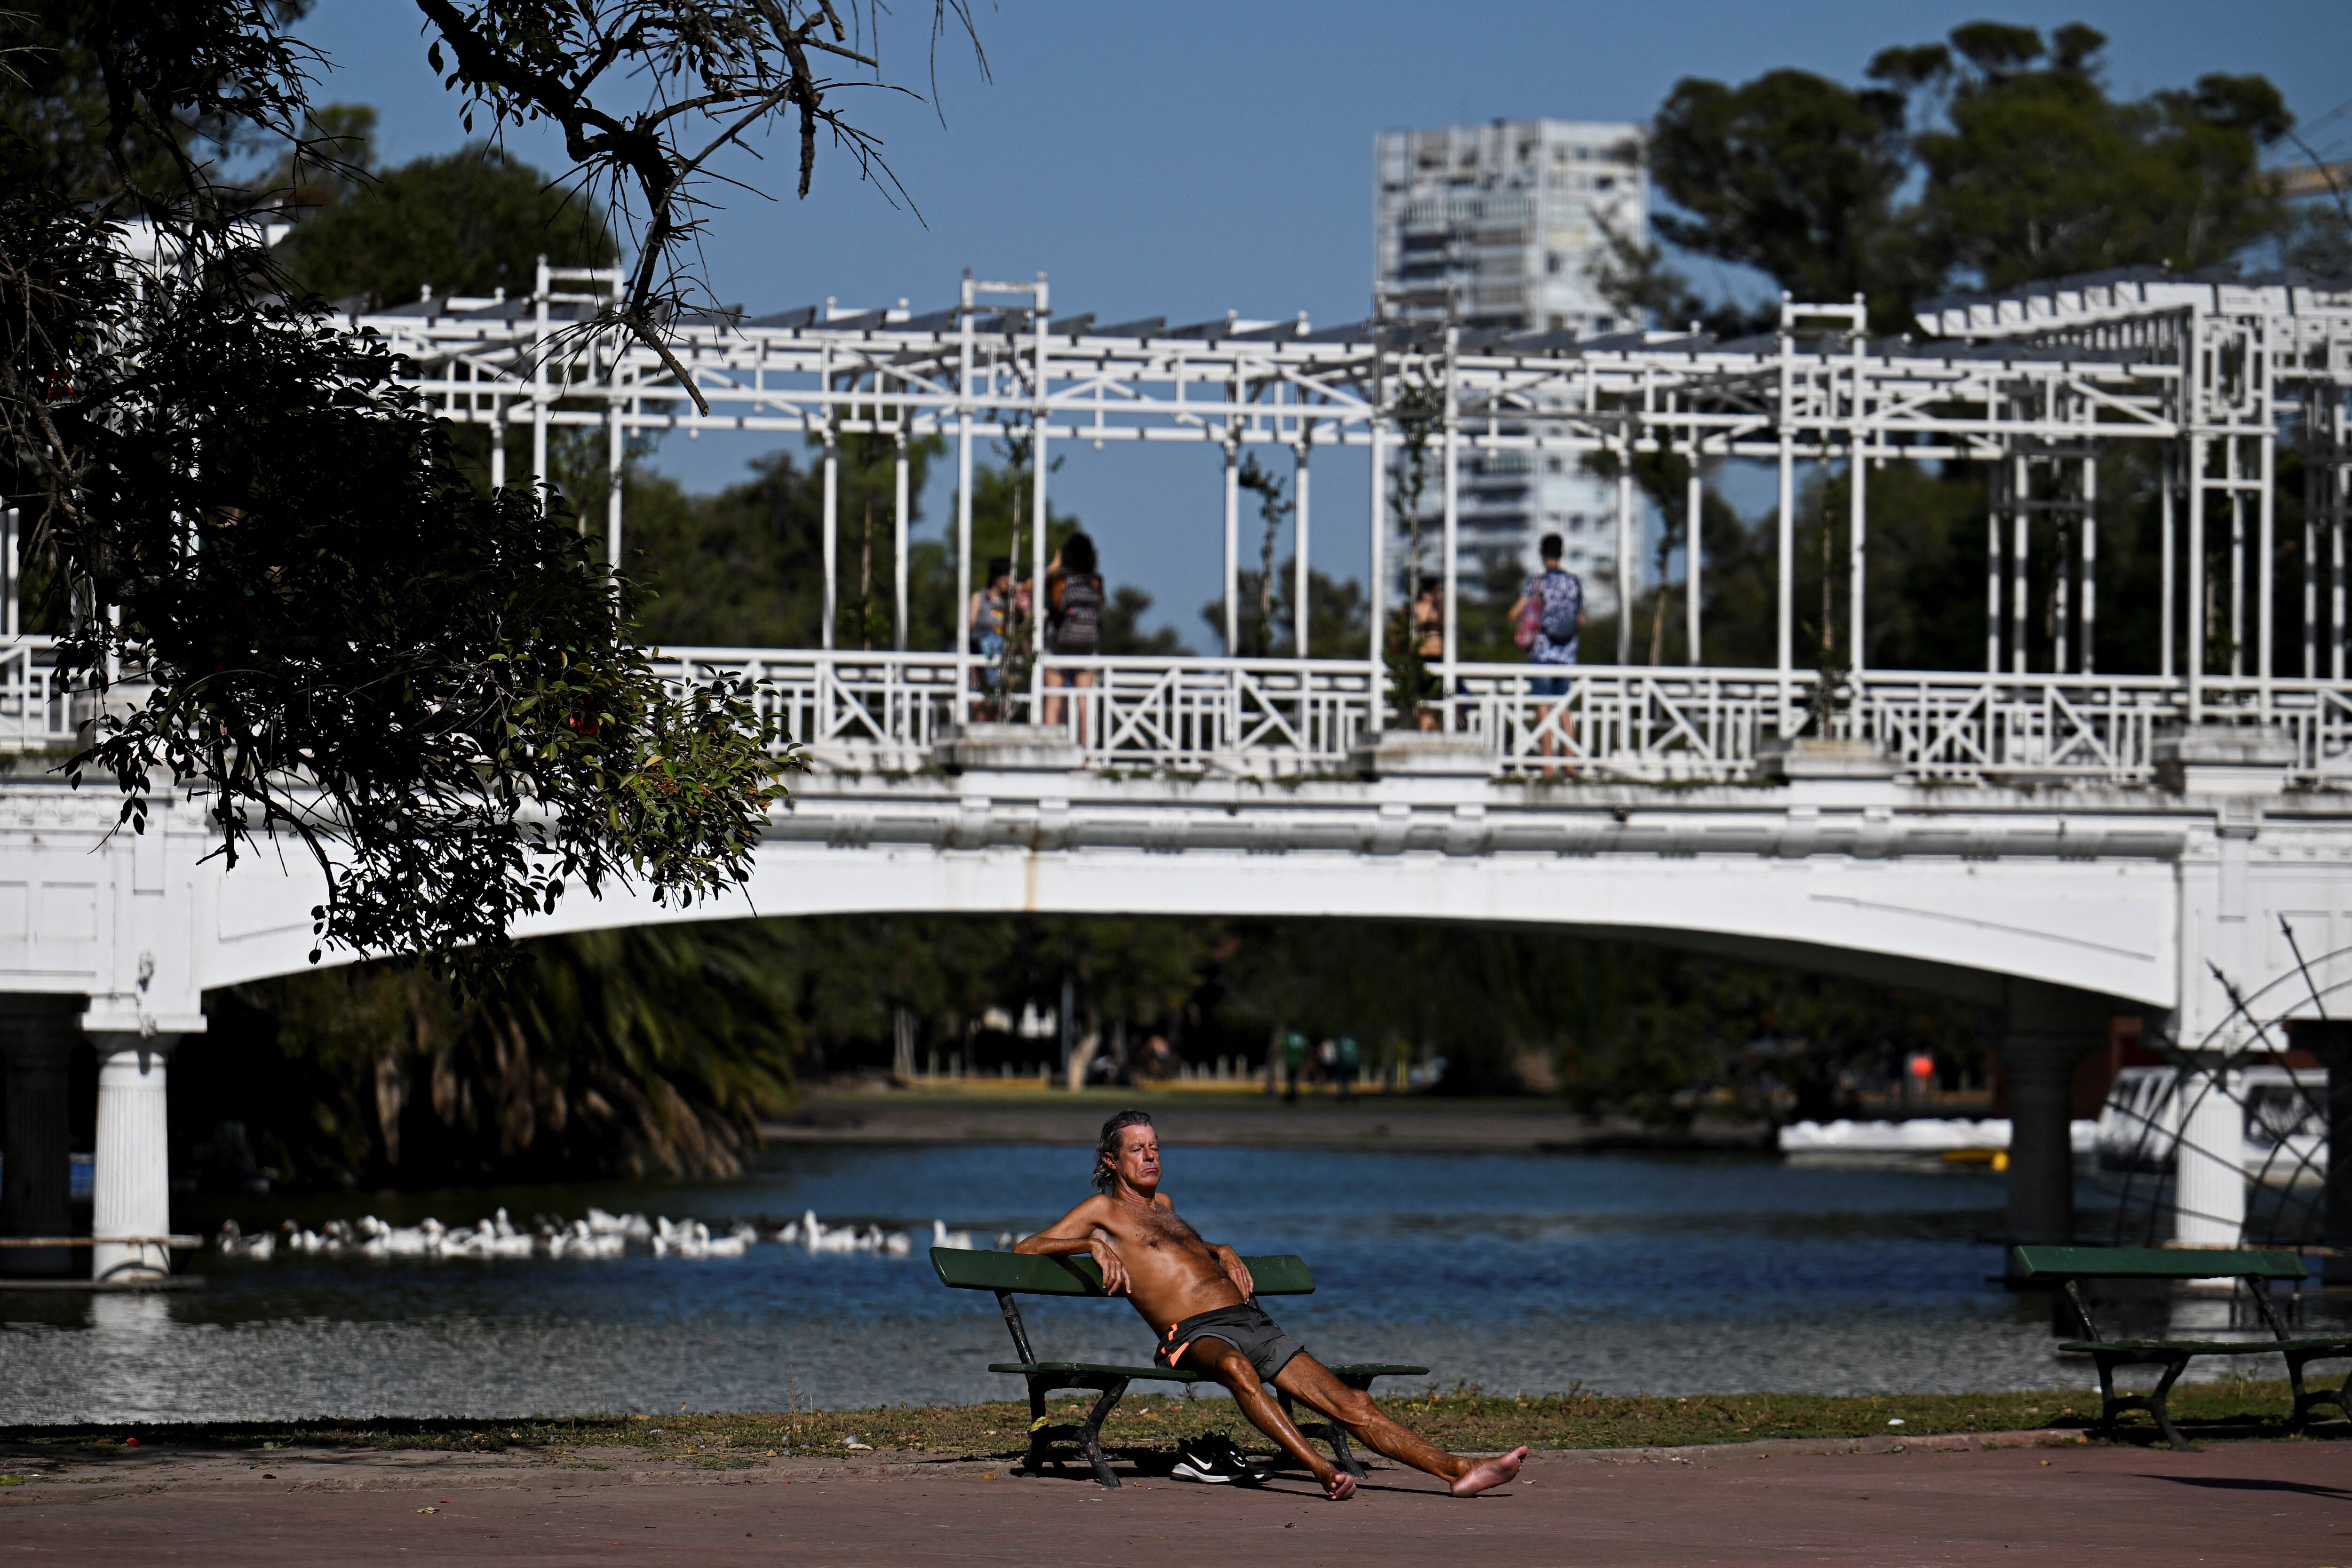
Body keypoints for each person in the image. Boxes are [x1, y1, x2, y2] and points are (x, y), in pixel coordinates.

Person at [1016, 1111, 1527, 1501]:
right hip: (1192, 1336)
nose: (1150, 1157)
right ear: (1112, 1161)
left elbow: (1178, 1254)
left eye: (1154, 1148)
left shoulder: (1165, 1206)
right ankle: (1321, 1470)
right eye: (1137, 1150)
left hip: (1249, 1320)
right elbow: (1026, 1248)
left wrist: (1221, 1249)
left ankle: (1459, 1471)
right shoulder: (1102, 1211)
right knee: (1237, 1369)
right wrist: (1090, 1245)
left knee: (1354, 1404)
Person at [1508, 533, 1584, 761]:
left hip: (1542, 651)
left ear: (1542, 554)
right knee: (1564, 708)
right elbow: (1581, 620)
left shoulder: (1537, 583)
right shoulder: (1574, 582)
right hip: (1567, 654)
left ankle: (1547, 764)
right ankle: (1570, 764)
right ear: (1562, 553)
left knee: (1543, 706)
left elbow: (1515, 612)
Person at [1043, 531, 1104, 740]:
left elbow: (1035, 587)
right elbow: (1102, 604)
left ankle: (1050, 748)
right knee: (1084, 702)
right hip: (1087, 646)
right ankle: (1085, 754)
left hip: (1058, 645)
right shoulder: (1096, 582)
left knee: (1054, 700)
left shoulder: (1059, 580)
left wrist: (1053, 566)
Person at [968, 556, 1013, 721]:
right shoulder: (979, 598)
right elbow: (968, 628)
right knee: (981, 705)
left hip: (1000, 660)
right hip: (978, 656)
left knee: (997, 708)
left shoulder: (1009, 603)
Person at [1280, 1030, 1308, 1103]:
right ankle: (1294, 1094)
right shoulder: (1301, 1038)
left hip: (1290, 1061)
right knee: (1295, 1080)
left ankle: (1291, 1094)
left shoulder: (1288, 1038)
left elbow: (1281, 1045)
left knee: (1290, 1079)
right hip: (1298, 1061)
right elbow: (1305, 1047)